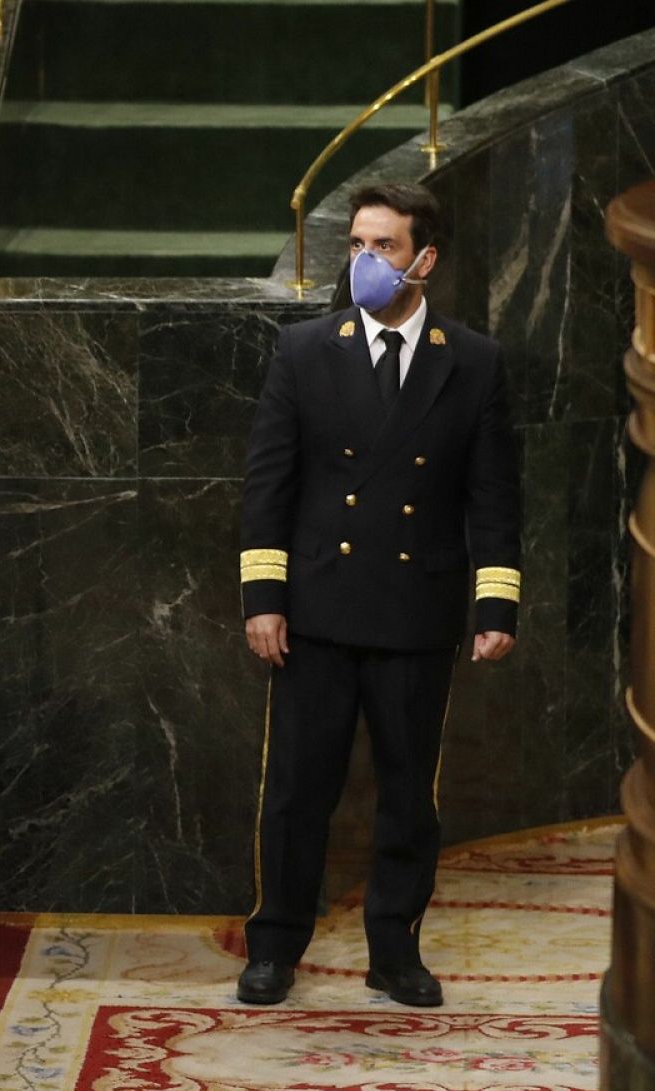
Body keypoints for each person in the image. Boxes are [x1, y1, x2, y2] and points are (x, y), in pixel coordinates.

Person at [236, 182, 520, 1009]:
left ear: (424, 259)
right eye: (356, 244)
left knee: (407, 798)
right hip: (315, 612)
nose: (364, 260)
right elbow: (268, 489)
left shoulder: (473, 361)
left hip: (414, 613)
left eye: (383, 246)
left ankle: (395, 953)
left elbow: (494, 497)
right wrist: (264, 597)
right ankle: (275, 946)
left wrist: (495, 605)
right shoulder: (302, 351)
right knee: (296, 792)